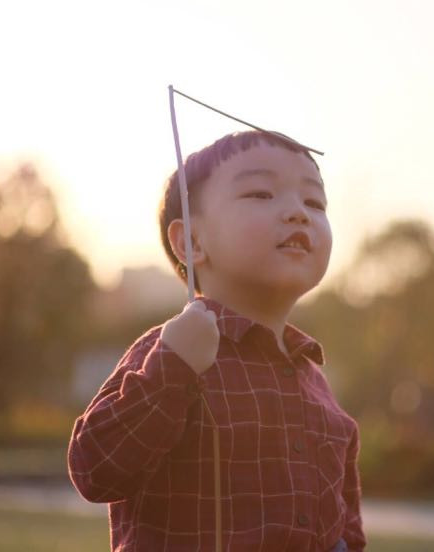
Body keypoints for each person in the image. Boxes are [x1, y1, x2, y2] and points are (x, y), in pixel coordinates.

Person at [67, 129, 365, 551]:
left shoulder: (315, 382)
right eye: (262, 194)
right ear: (191, 241)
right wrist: (173, 367)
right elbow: (95, 470)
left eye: (314, 202)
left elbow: (345, 527)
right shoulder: (172, 352)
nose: (298, 212)